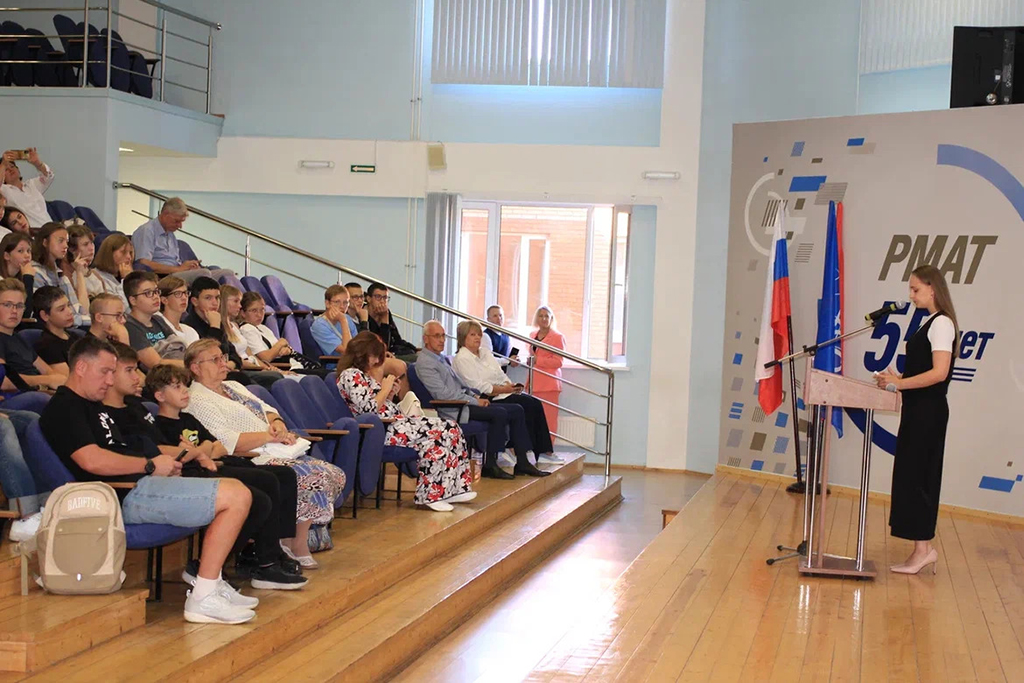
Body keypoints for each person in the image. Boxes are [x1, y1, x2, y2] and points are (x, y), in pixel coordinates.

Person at [39, 335, 258, 624]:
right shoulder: (65, 408)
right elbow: (92, 461)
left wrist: (161, 463)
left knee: (239, 489)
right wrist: (150, 465)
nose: (109, 380)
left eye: (113, 372)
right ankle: (203, 597)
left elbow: (125, 448)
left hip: (142, 483)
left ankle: (211, 584)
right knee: (236, 496)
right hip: (123, 494)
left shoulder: (94, 404)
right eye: (105, 372)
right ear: (80, 368)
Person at [98, 348, 304, 591]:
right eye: (129, 370)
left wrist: (198, 451)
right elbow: (162, 451)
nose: (137, 377)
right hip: (166, 477)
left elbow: (212, 444)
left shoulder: (137, 407)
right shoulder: (119, 414)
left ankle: (266, 554)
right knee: (258, 494)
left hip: (186, 469)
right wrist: (197, 453)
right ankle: (241, 564)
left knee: (276, 478)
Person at [183, 339, 346, 568]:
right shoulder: (198, 399)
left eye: (223, 357)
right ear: (196, 368)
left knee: (335, 473)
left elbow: (267, 409)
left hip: (273, 446)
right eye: (215, 359)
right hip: (249, 456)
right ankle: (292, 542)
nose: (223, 363)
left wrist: (277, 423)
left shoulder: (233, 386)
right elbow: (226, 441)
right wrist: (269, 437)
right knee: (314, 475)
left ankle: (294, 539)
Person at [146, 364, 306, 586]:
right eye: (176, 387)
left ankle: (271, 549)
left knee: (283, 474)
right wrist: (200, 451)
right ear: (160, 396)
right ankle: (262, 562)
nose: (184, 391)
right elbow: (176, 455)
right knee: (263, 487)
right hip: (192, 477)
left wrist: (197, 451)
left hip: (212, 466)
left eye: (184, 385)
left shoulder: (189, 419)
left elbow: (217, 446)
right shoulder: (158, 425)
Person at [875, 265, 958, 575]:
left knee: (921, 477)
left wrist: (899, 384)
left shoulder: (942, 324)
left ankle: (924, 551)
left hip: (928, 413)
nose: (910, 295)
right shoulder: (931, 322)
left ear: (932, 289)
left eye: (915, 289)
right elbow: (924, 370)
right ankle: (920, 549)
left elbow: (939, 373)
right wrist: (899, 378)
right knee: (911, 476)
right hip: (918, 410)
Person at [336, 331, 476, 512]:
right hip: (382, 429)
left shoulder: (363, 376)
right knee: (437, 433)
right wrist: (385, 389)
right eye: (375, 356)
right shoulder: (350, 375)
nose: (377, 361)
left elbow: (377, 403)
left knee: (452, 427)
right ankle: (430, 494)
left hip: (396, 423)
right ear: (364, 354)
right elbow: (368, 409)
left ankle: (454, 487)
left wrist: (390, 394)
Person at [416, 320, 548, 479]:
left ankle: (522, 462)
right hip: (454, 408)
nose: (442, 340)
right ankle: (490, 465)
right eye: (437, 336)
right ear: (426, 339)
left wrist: (475, 396)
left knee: (516, 410)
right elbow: (443, 395)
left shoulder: (440, 358)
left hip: (465, 402)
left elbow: (461, 386)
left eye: (443, 335)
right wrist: (474, 401)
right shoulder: (425, 363)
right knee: (499, 413)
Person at [452, 320, 563, 467]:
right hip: (484, 397)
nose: (477, 337)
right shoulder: (462, 358)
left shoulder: (484, 353)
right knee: (526, 405)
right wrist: (505, 389)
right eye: (473, 335)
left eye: (479, 334)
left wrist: (511, 386)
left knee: (534, 402)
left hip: (501, 392)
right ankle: (524, 450)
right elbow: (478, 386)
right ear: (463, 337)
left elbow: (499, 374)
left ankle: (542, 451)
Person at [183, 277, 279, 388]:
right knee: (252, 382)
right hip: (210, 379)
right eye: (208, 298)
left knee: (274, 378)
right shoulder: (190, 326)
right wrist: (214, 327)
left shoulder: (217, 321)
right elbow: (208, 355)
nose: (214, 303)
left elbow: (233, 354)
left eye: (217, 298)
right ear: (195, 301)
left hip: (230, 370)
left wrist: (229, 364)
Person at [132, 198, 233, 284]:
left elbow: (176, 262)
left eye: (181, 222)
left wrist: (188, 266)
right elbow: (143, 263)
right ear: (165, 214)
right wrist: (178, 269)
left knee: (227, 273)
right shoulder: (146, 231)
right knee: (204, 274)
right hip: (163, 277)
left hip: (177, 272)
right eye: (177, 221)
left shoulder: (170, 234)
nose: (180, 226)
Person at [238, 291, 326, 377]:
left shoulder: (263, 328)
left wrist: (285, 349)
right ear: (243, 313)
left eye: (262, 309)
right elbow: (265, 357)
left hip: (295, 362)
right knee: (326, 376)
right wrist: (281, 343)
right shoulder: (247, 329)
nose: (259, 314)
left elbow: (282, 348)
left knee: (327, 374)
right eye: (254, 310)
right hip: (287, 367)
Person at [0, 278, 66, 391]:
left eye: (19, 306)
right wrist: (47, 380)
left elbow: (48, 371)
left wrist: (58, 379)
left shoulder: (20, 338)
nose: (14, 311)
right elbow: (3, 381)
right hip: (16, 396)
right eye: (7, 305)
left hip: (37, 392)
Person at [220, 285, 284, 384]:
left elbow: (250, 354)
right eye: (236, 301)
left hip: (252, 366)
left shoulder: (234, 326)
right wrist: (260, 368)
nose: (240, 306)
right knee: (276, 378)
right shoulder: (221, 327)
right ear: (224, 302)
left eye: (262, 309)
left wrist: (268, 367)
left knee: (279, 375)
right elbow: (236, 359)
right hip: (243, 369)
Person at [31, 222, 89, 326]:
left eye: (66, 242)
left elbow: (80, 310)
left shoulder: (61, 275)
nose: (65, 246)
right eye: (60, 241)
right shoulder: (36, 273)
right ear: (45, 242)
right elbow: (47, 314)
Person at [123, 271, 183, 372]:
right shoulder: (130, 326)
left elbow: (179, 346)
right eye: (148, 293)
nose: (155, 297)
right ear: (133, 300)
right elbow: (156, 363)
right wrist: (191, 364)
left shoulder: (158, 319)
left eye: (156, 291)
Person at [529, 306, 565, 438]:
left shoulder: (557, 337)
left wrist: (538, 360)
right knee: (533, 418)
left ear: (551, 318)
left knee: (549, 419)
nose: (544, 319)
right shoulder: (532, 335)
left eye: (546, 316)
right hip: (534, 382)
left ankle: (548, 447)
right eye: (541, 316)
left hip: (549, 384)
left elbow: (558, 362)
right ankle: (535, 446)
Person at [32, 285, 81, 375]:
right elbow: (68, 379)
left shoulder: (75, 336)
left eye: (68, 305)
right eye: (61, 309)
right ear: (45, 315)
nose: (70, 312)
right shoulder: (46, 346)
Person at [0, 149, 53, 228]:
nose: (10, 170)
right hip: (34, 232)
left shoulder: (32, 184)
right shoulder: (4, 191)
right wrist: (3, 164)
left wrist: (37, 163)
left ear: (18, 169)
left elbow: (49, 176)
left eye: (12, 166)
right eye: (6, 170)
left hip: (51, 226)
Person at [365, 282, 418, 361]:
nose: (382, 301)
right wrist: (384, 322)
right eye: (378, 297)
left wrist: (415, 349)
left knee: (418, 356)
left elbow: (397, 339)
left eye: (385, 298)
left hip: (393, 352)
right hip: (377, 356)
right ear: (369, 299)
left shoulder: (386, 312)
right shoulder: (363, 316)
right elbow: (382, 347)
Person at [310, 285, 362, 356]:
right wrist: (343, 321)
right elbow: (346, 351)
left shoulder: (347, 318)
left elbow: (358, 346)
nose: (342, 306)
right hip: (337, 361)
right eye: (337, 302)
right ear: (327, 304)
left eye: (345, 302)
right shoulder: (319, 325)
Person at [155, 276, 200, 348]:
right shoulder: (157, 327)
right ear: (164, 300)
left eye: (186, 293)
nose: (184, 298)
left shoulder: (191, 332)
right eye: (178, 294)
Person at [92, 233, 133, 309]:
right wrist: (126, 280)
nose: (129, 257)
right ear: (109, 253)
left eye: (130, 253)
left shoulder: (122, 275)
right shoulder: (96, 277)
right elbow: (119, 307)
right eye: (123, 252)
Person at [66, 224, 104, 299]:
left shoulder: (95, 274)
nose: (91, 248)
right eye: (85, 244)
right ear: (72, 249)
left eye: (92, 243)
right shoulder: (68, 277)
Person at [1, 233, 35, 318]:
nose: (27, 255)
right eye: (20, 251)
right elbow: (24, 313)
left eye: (28, 251)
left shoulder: (22, 276)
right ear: (7, 256)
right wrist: (28, 278)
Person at [481, 305, 519, 369]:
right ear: (488, 319)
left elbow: (509, 355)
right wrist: (509, 360)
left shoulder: (507, 335)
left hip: (504, 372)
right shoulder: (485, 336)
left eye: (500, 315)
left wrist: (514, 359)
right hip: (490, 372)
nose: (499, 318)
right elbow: (488, 360)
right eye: (495, 316)